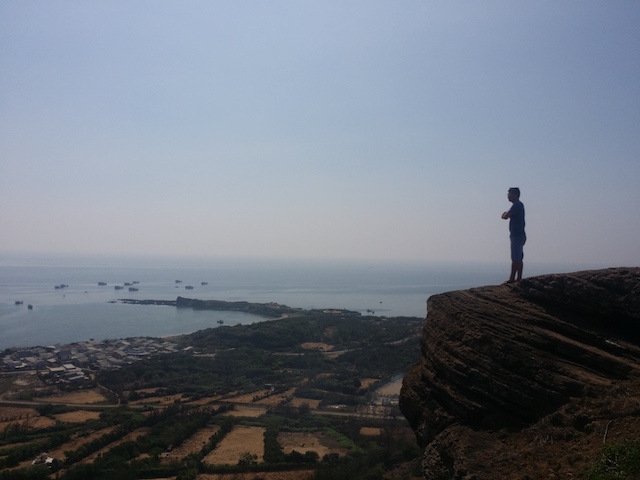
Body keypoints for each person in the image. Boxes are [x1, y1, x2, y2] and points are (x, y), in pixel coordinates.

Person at [501, 187, 526, 283]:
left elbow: (506, 216)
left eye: (509, 194)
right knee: (518, 257)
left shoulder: (517, 205)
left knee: (516, 257)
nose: (508, 196)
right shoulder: (518, 205)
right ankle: (517, 278)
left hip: (517, 235)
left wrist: (505, 214)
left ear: (516, 195)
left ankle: (513, 278)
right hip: (518, 234)